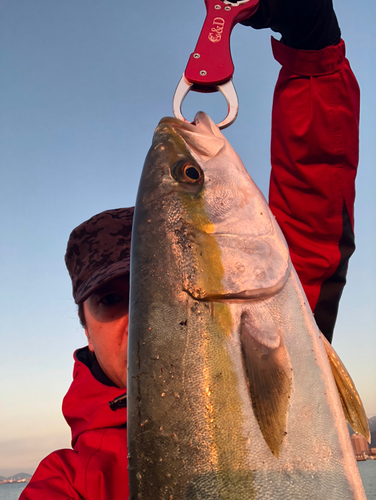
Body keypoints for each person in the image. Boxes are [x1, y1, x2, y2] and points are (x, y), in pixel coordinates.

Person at [20, 0, 359, 497]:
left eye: (154, 286)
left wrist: (312, 51)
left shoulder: (271, 325)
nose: (144, 314)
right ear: (86, 335)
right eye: (112, 301)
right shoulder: (68, 481)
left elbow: (315, 199)